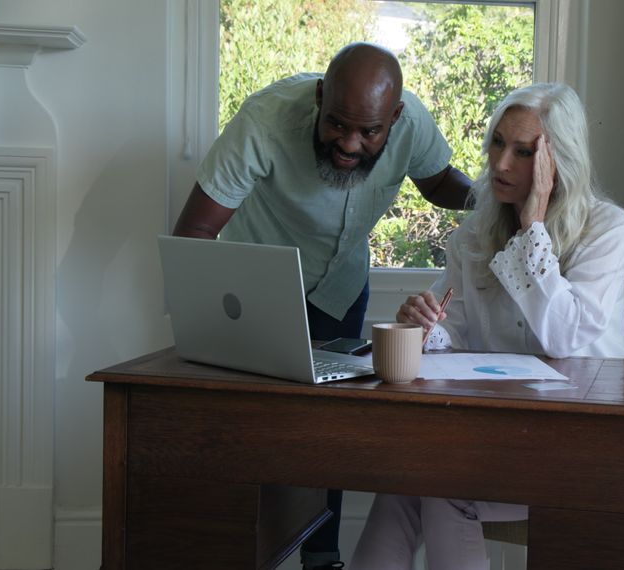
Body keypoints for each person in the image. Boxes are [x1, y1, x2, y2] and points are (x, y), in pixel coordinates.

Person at [172, 43, 471, 570]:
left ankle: (322, 560)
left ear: (394, 119)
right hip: (261, 289)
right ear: (318, 98)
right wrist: (200, 328)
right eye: (336, 124)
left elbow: (438, 180)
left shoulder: (413, 122)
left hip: (340, 289)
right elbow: (195, 230)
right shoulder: (264, 120)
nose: (349, 144)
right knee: (254, 429)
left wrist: (490, 199)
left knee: (330, 430)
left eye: (369, 132)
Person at [348, 82, 624, 570]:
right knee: (403, 486)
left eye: (524, 152)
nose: (500, 163)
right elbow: (453, 331)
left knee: (442, 493)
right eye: (498, 143)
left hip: (590, 443)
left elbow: (564, 338)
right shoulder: (475, 236)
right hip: (501, 435)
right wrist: (424, 327)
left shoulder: (609, 230)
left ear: (556, 163)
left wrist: (533, 226)